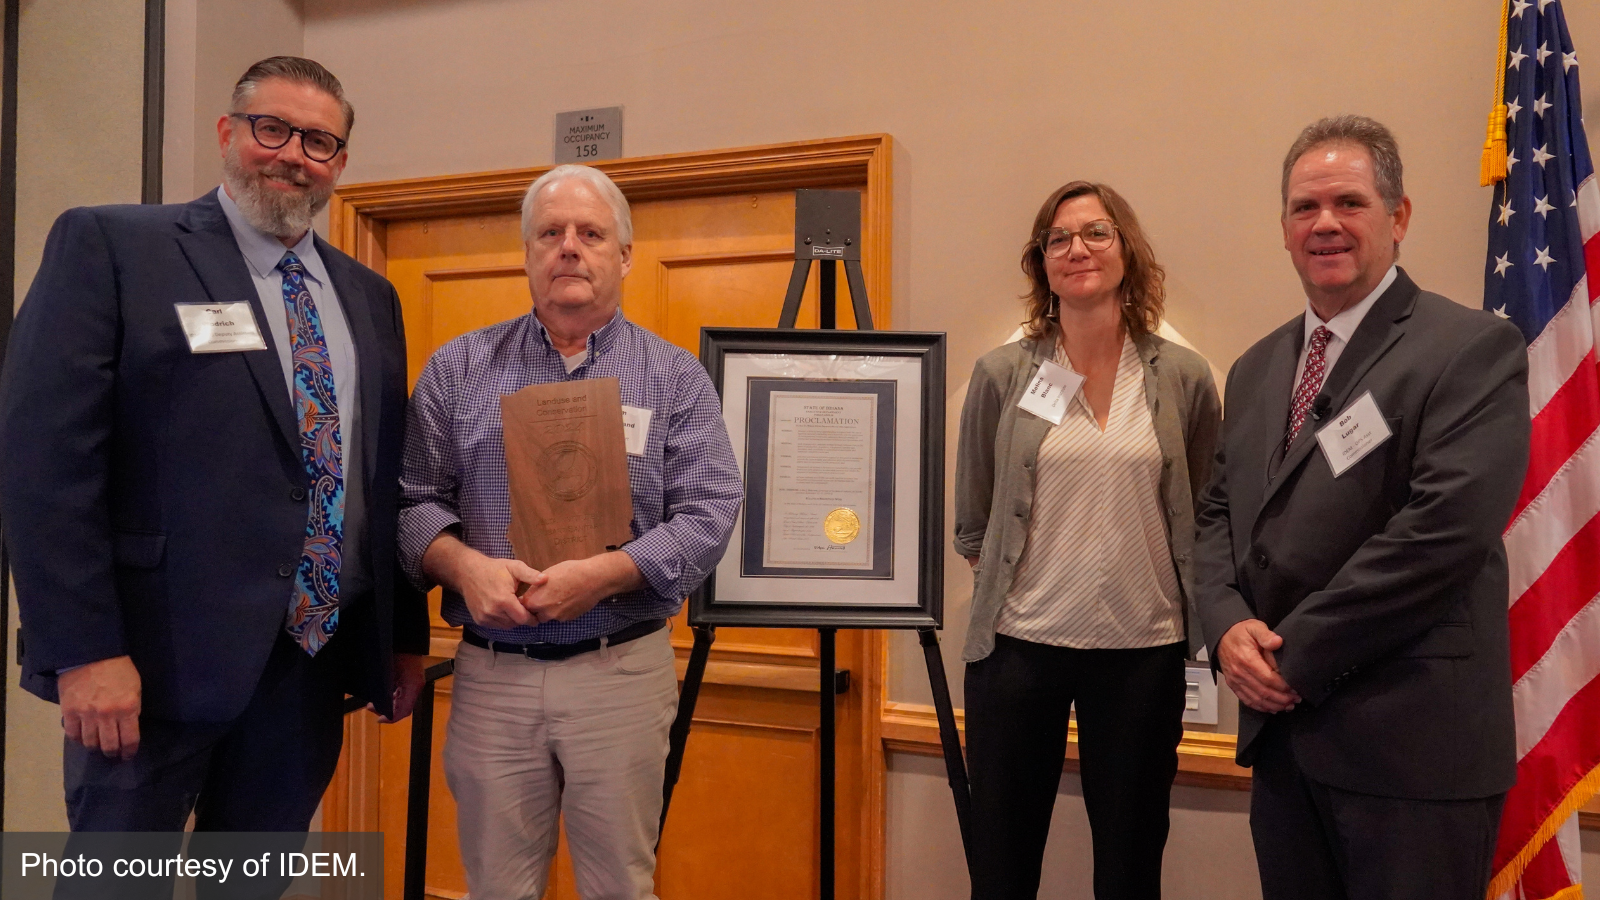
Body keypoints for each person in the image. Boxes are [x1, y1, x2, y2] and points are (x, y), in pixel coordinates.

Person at [0, 56, 429, 832]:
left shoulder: (370, 297)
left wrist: (398, 639)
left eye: (321, 142)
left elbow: (379, 477)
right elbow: (45, 468)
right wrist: (82, 650)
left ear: (339, 163)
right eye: (275, 129)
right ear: (229, 133)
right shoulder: (115, 246)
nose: (296, 154)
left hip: (308, 669)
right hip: (147, 670)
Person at [1193, 115, 1530, 900]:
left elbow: (1443, 532)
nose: (1326, 224)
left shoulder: (1470, 348)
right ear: (1283, 228)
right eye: (1305, 208)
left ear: (1399, 216)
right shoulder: (1255, 368)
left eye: (1349, 202)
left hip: (1413, 754)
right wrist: (1224, 622)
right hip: (1286, 751)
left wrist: (1290, 657)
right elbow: (1216, 516)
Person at [398, 163, 741, 900]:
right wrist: (464, 567)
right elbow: (412, 502)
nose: (569, 248)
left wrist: (608, 574)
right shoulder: (458, 370)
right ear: (526, 253)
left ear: (624, 256)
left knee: (619, 885)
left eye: (591, 233)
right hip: (492, 674)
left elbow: (711, 509)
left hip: (619, 671)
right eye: (550, 233)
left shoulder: (675, 378)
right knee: (497, 888)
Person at [954, 181, 1221, 900]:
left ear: (1127, 250)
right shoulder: (1003, 375)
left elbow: (1203, 511)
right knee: (1002, 867)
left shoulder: (1186, 379)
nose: (1078, 250)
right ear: (1041, 264)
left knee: (1131, 868)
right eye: (1059, 239)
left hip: (1143, 655)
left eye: (1096, 233)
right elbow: (973, 523)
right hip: (1018, 654)